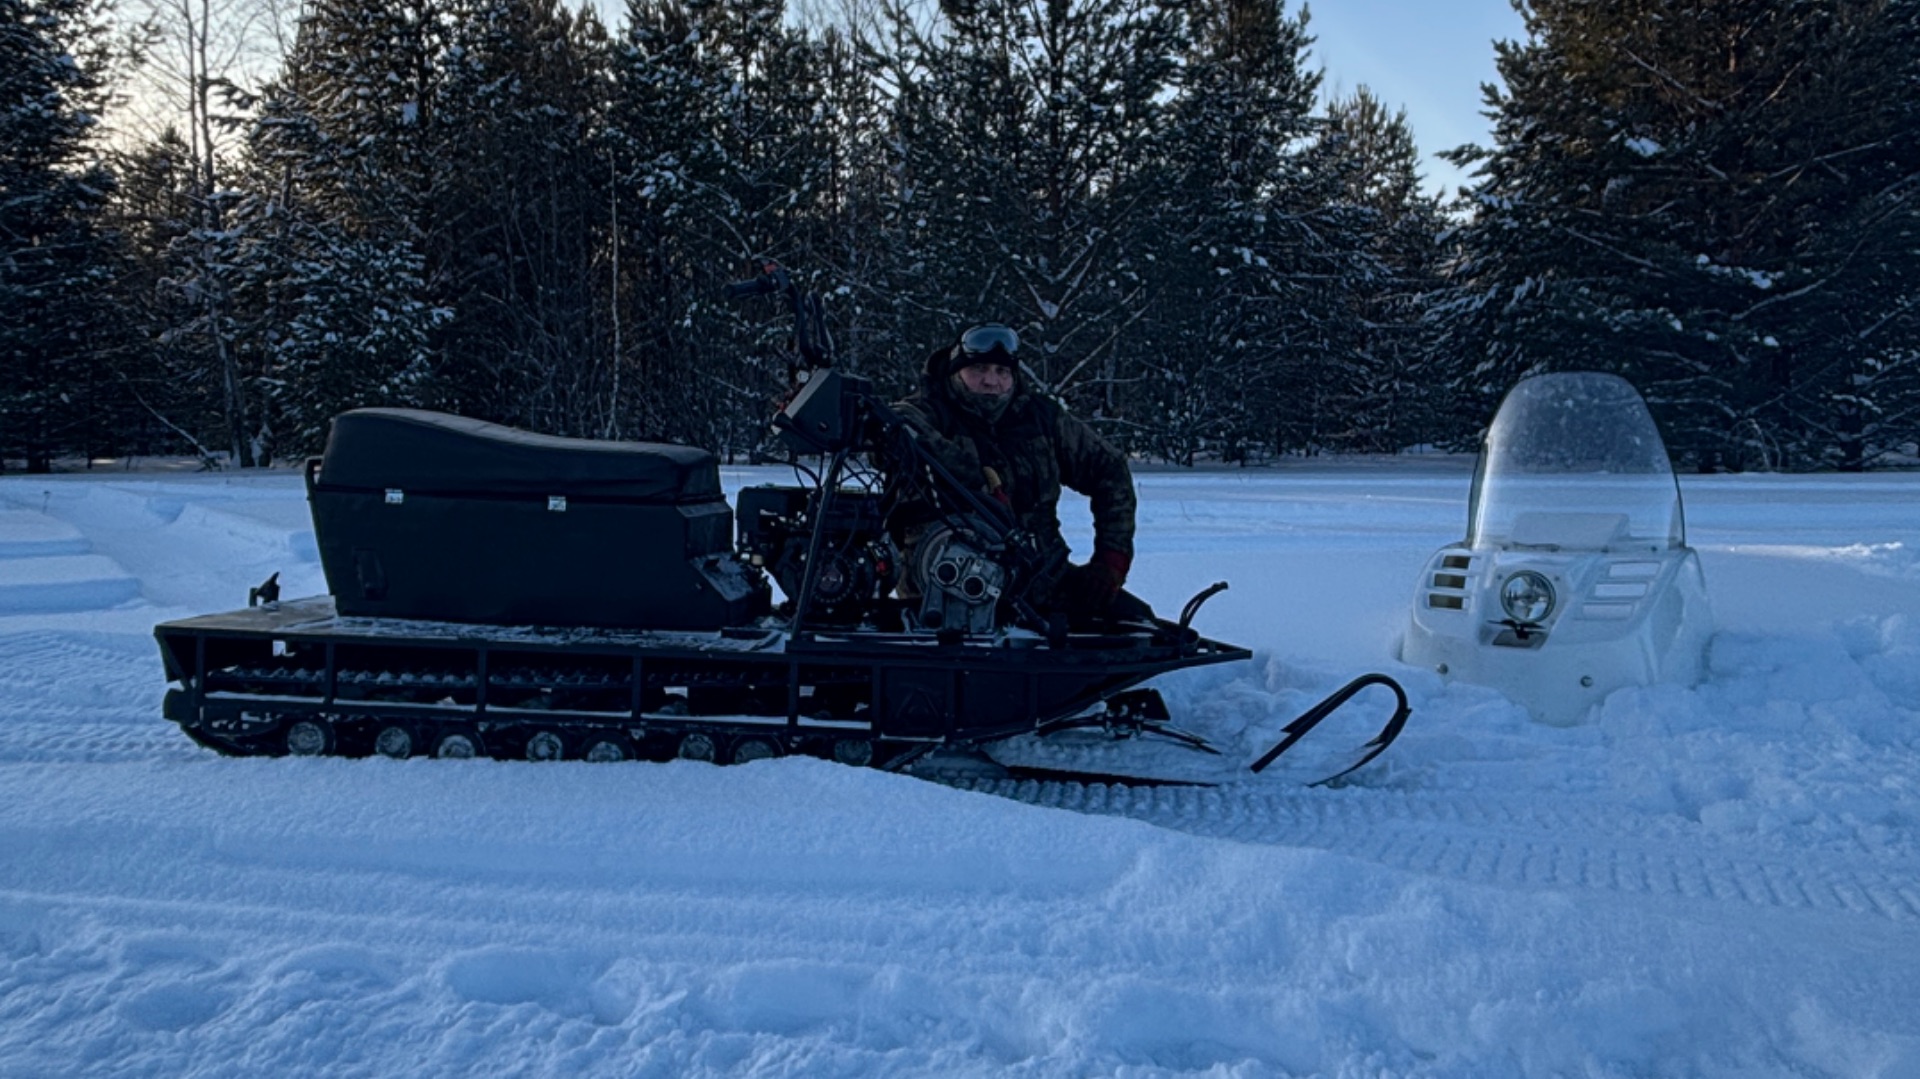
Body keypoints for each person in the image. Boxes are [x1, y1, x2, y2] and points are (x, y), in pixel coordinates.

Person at [886, 323, 1148, 624]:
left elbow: (1109, 468)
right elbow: (895, 430)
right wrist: (977, 483)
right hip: (943, 587)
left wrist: (1111, 560)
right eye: (979, 369)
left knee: (1137, 626)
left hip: (1043, 582)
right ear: (956, 372)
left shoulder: (1041, 419)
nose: (991, 381)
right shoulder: (924, 413)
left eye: (1001, 371)